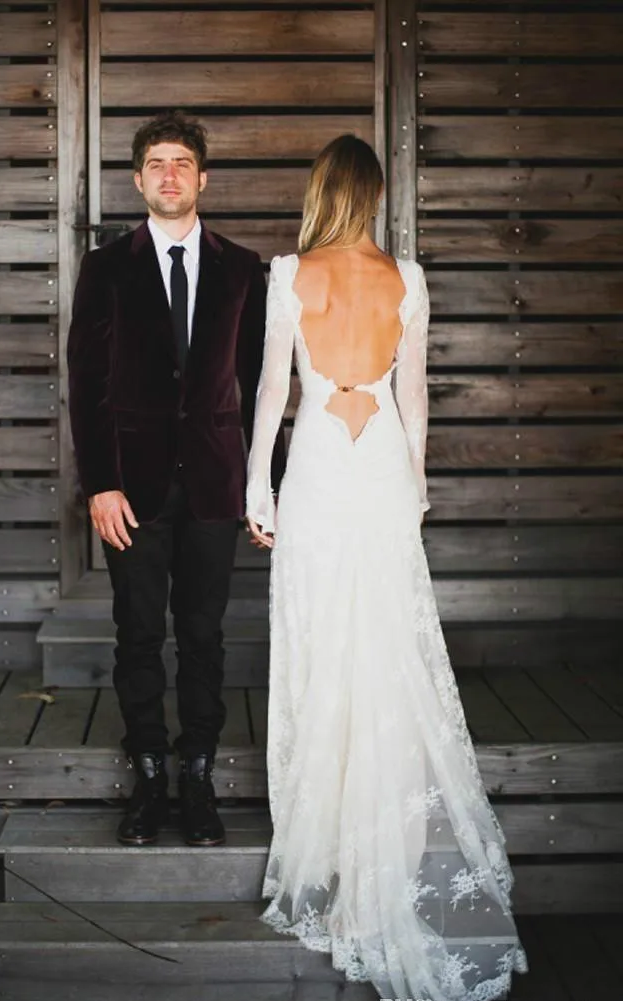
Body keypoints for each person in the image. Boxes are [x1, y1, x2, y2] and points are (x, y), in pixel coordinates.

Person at [245, 135, 528, 1000]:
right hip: (379, 474)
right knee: (386, 643)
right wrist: (418, 488)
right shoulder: (408, 277)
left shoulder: (289, 274)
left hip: (318, 466)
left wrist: (259, 490)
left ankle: (329, 836)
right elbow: (414, 396)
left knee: (320, 639)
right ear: (371, 194)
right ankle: (378, 837)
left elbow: (273, 392)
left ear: (321, 192)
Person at [67, 111, 285, 849]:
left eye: (182, 163)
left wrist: (265, 487)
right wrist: (100, 484)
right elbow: (87, 382)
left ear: (203, 179)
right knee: (137, 634)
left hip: (216, 486)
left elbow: (262, 389)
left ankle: (197, 778)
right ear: (138, 180)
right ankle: (149, 777)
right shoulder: (106, 268)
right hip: (132, 488)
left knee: (202, 636)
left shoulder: (242, 269)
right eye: (156, 163)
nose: (169, 174)